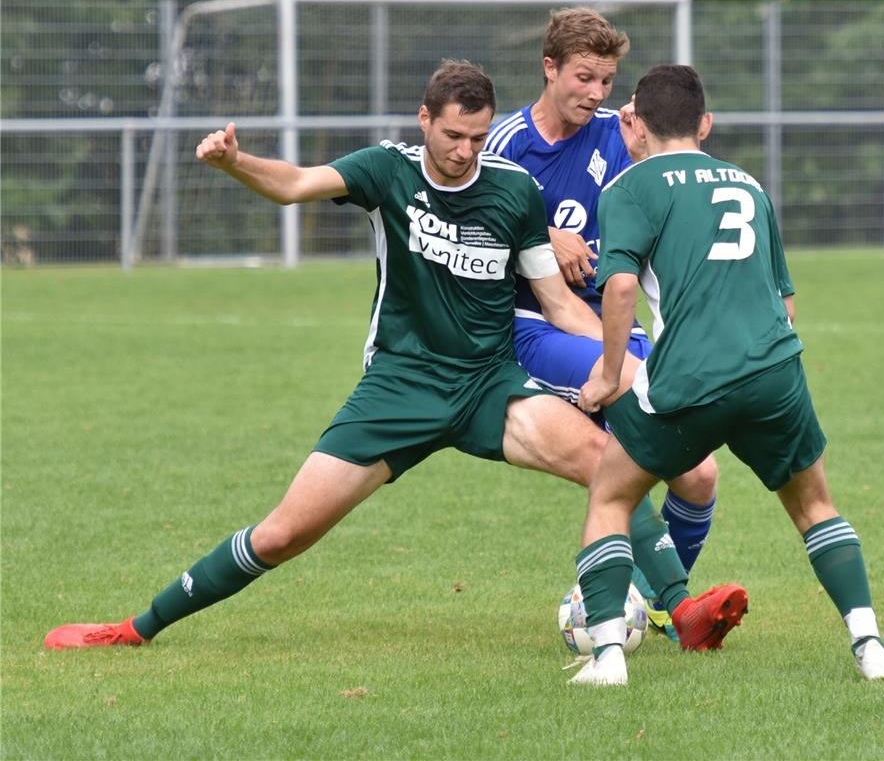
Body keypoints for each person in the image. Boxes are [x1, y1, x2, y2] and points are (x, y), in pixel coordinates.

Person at [44, 60, 738, 656]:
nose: (465, 151)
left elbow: (556, 302)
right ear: (424, 119)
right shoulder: (387, 170)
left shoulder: (513, 191)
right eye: (451, 135)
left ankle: (680, 612)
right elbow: (293, 184)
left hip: (488, 384)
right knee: (283, 534)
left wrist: (619, 361)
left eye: (475, 136)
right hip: (400, 386)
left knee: (604, 464)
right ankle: (136, 629)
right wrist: (234, 162)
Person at [568, 64, 884, 685]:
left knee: (611, 495)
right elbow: (787, 304)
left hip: (689, 380)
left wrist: (607, 376)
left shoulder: (629, 187)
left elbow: (617, 287)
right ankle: (870, 644)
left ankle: (608, 655)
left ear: (633, 125)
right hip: (774, 371)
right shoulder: (749, 186)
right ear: (705, 124)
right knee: (815, 507)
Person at [486, 7, 726, 639]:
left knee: (699, 474)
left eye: (605, 81)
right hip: (537, 327)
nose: (595, 94)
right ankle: (677, 611)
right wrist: (542, 238)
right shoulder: (507, 144)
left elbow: (668, 183)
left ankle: (645, 603)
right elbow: (471, 232)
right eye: (584, 78)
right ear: (550, 68)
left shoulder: (618, 135)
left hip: (611, 320)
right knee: (626, 434)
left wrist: (644, 139)